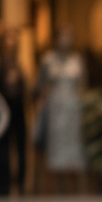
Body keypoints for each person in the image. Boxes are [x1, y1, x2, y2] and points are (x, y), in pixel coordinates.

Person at [35, 25, 86, 193]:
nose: (66, 40)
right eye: (63, 36)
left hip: (73, 110)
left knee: (74, 153)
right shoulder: (48, 60)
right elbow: (40, 86)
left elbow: (83, 86)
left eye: (69, 36)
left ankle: (77, 192)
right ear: (56, 39)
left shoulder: (77, 60)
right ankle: (57, 191)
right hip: (55, 111)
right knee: (56, 154)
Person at [0, 27, 27, 196]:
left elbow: (27, 88)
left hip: (18, 109)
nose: (11, 42)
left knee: (21, 147)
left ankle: (21, 184)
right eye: (7, 39)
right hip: (1, 110)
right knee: (0, 148)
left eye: (14, 39)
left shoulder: (21, 64)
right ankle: (0, 185)